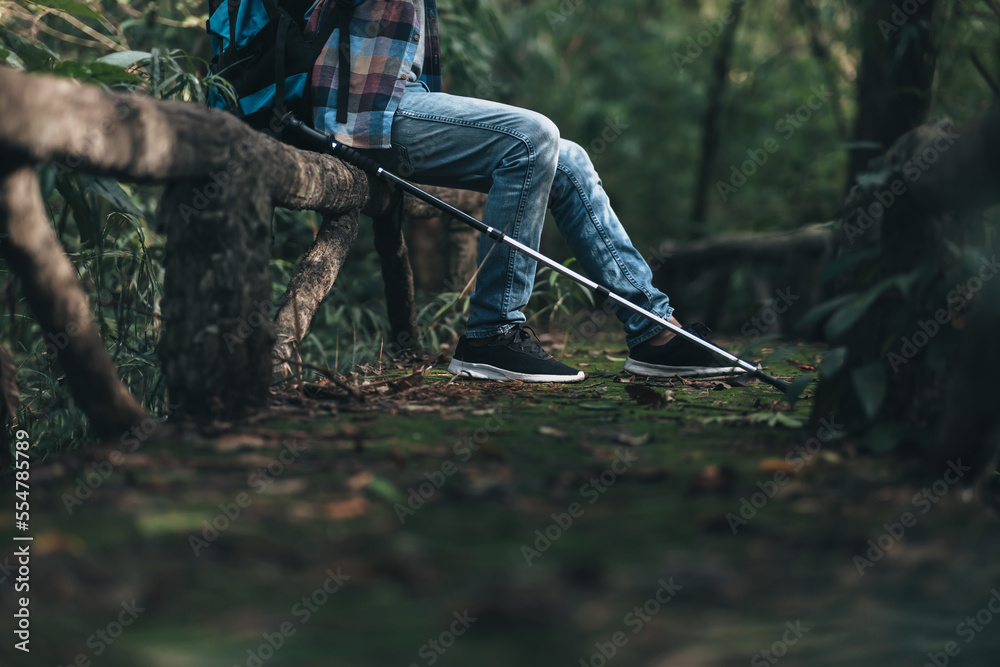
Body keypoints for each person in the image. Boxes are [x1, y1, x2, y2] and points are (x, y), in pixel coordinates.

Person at [306, 0, 738, 382]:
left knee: (570, 160)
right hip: (363, 112)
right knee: (532, 136)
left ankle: (655, 333)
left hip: (404, 99)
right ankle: (491, 333)